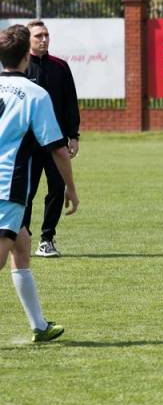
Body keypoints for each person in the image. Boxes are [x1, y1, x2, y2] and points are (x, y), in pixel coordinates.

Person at [0, 25, 79, 342]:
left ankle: (39, 325)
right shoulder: (34, 94)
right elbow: (57, 148)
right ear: (26, 56)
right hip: (7, 183)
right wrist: (71, 188)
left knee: (22, 245)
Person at [22, 20, 80, 258]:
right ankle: (22, 236)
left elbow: (70, 103)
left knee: (57, 188)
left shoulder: (60, 67)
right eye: (38, 36)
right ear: (27, 39)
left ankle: (47, 239)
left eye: (46, 35)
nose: (44, 39)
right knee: (26, 192)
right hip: (28, 143)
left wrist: (73, 135)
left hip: (55, 143)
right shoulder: (20, 68)